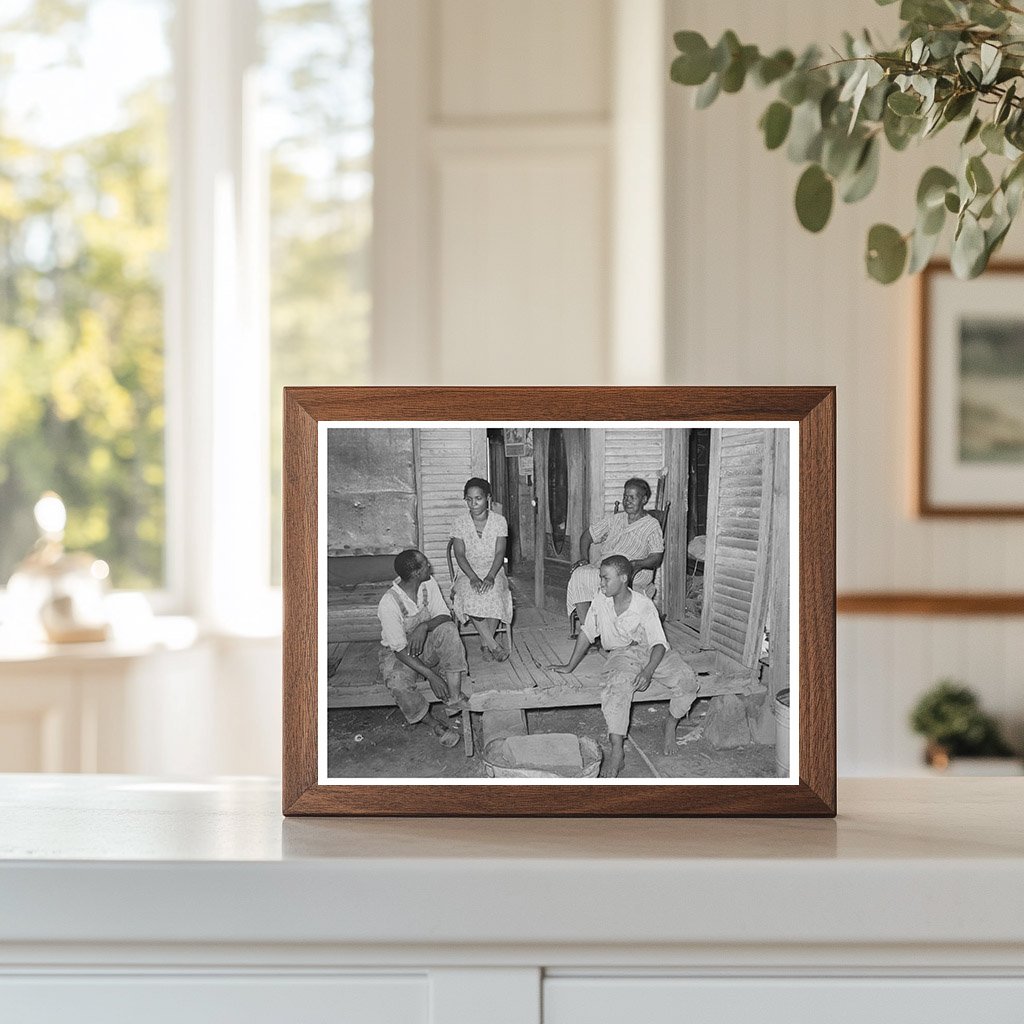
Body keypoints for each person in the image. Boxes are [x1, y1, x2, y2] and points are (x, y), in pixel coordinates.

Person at [552, 555, 698, 778]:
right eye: (601, 578)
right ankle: (617, 750)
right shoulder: (600, 600)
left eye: (605, 578)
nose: (601, 583)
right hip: (622, 653)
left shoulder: (643, 605)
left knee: (687, 680)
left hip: (651, 651)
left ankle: (670, 724)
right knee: (617, 687)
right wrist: (570, 666)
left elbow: (659, 643)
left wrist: (648, 671)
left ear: (623, 578)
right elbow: (587, 632)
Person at [376, 548, 468, 748]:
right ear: (417, 573)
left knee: (449, 630)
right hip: (400, 654)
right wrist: (431, 676)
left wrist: (423, 626)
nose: (430, 566)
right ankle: (433, 723)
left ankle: (453, 698)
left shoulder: (428, 583)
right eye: (426, 563)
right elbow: (399, 649)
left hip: (425, 644)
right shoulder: (389, 602)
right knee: (397, 682)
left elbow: (445, 615)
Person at [566, 477, 664, 628]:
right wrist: (585, 558)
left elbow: (656, 557)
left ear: (644, 499)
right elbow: (587, 535)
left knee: (594, 576)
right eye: (625, 496)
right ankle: (588, 629)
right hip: (606, 566)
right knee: (580, 573)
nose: (627, 501)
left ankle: (609, 629)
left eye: (632, 497)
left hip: (634, 571)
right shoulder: (616, 519)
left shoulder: (651, 525)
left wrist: (636, 564)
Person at [450, 477, 514, 662]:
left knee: (493, 594)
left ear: (487, 498)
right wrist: (473, 577)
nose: (473, 503)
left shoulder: (499, 521)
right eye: (468, 499)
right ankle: (493, 646)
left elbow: (500, 552)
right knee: (471, 595)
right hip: (467, 571)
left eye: (478, 498)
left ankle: (486, 644)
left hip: (494, 569)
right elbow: (460, 555)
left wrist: (491, 576)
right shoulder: (459, 523)